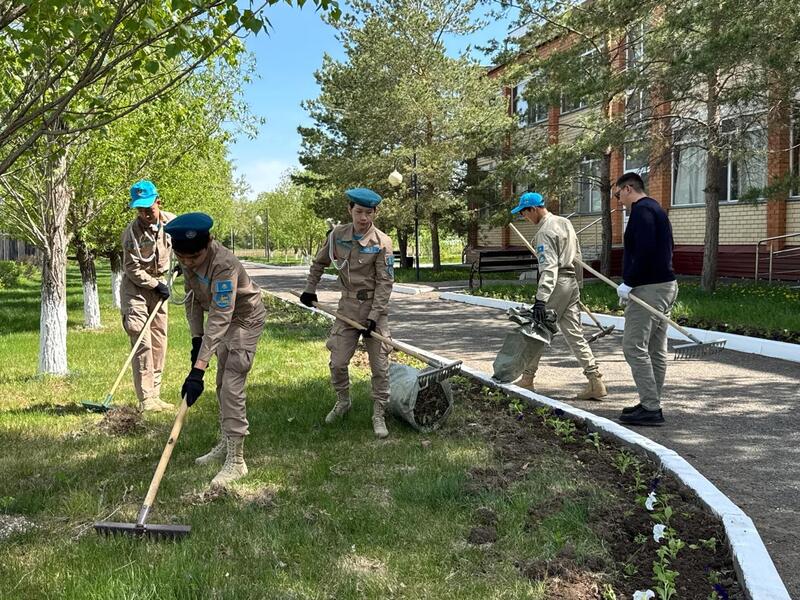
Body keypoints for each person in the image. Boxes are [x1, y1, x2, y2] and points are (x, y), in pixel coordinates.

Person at [166, 212, 266, 487]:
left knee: (232, 384)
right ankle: (225, 443)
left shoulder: (224, 265)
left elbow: (222, 315)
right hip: (222, 321)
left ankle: (237, 462)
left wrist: (198, 369)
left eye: (193, 258)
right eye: (181, 258)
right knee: (221, 385)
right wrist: (197, 340)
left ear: (208, 242)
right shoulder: (188, 257)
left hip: (244, 320)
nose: (187, 263)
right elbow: (193, 300)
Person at [300, 188, 394, 439]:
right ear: (350, 210)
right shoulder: (336, 236)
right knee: (338, 362)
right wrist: (310, 290)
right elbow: (319, 263)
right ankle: (343, 401)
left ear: (375, 213)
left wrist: (374, 317)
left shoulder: (382, 242)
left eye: (369, 213)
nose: (364, 218)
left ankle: (379, 412)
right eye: (359, 212)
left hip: (375, 310)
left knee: (380, 366)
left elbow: (385, 283)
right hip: (347, 309)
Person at [511, 191, 608, 400]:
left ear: (534, 209)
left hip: (556, 283)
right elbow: (577, 255)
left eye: (524, 213)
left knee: (538, 330)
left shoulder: (544, 232)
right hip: (571, 282)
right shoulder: (564, 222)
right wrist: (577, 288)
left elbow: (549, 267)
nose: (524, 217)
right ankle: (595, 380)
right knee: (575, 334)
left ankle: (527, 378)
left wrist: (540, 299)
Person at [614, 173, 678, 426]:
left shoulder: (642, 212)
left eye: (618, 194)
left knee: (633, 346)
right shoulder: (655, 209)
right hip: (664, 284)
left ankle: (651, 407)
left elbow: (644, 249)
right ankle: (651, 402)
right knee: (654, 349)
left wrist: (630, 281)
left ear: (628, 189)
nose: (618, 200)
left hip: (649, 287)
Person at [120, 179, 175, 412]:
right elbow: (132, 269)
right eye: (139, 209)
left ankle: (156, 394)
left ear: (158, 202)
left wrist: (184, 264)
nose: (144, 214)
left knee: (159, 342)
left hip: (159, 288)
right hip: (137, 291)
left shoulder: (172, 222)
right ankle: (146, 398)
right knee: (142, 342)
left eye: (148, 208)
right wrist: (154, 284)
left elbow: (185, 244)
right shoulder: (131, 233)